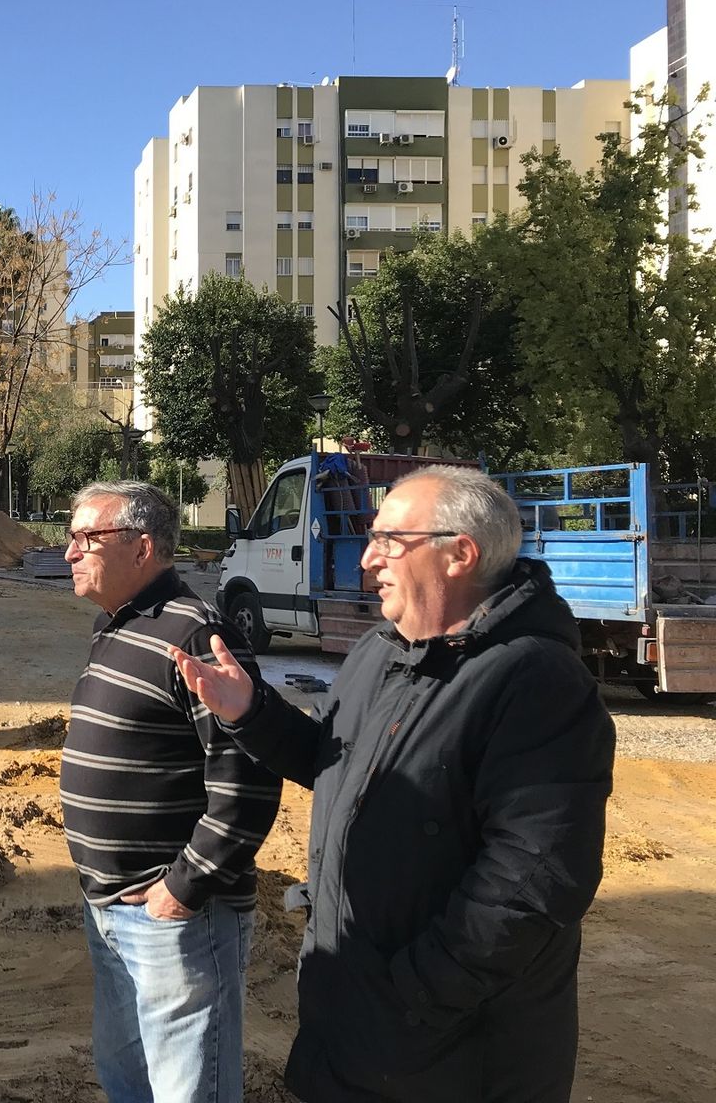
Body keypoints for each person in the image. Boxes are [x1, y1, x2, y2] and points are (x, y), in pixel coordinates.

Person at [175, 465, 615, 1103]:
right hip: (351, 1022)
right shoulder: (382, 652)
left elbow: (531, 884)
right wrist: (252, 711)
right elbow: (333, 760)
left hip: (454, 1055)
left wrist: (408, 996)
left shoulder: (538, 682)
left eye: (388, 541)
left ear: (459, 554)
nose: (366, 559)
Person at [60, 481, 282, 1103]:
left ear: (142, 547)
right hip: (112, 909)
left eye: (87, 538)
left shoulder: (195, 634)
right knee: (128, 1084)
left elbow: (248, 778)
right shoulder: (120, 625)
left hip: (174, 920)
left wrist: (184, 889)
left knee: (189, 1092)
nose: (70, 551)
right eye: (70, 536)